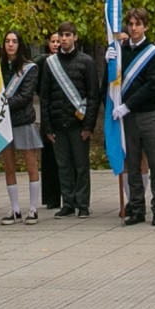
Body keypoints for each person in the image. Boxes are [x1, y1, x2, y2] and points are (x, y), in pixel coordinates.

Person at [113, 8, 155, 227]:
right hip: (128, 117)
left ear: (145, 27)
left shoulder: (154, 53)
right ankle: (136, 207)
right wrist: (109, 61)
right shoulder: (121, 50)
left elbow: (153, 85)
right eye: (130, 24)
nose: (133, 28)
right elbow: (113, 81)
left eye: (138, 24)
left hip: (149, 114)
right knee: (133, 163)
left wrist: (128, 105)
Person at [38, 22, 103, 218]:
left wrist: (89, 125)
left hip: (78, 123)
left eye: (67, 35)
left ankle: (82, 203)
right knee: (63, 165)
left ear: (75, 37)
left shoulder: (86, 62)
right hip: (58, 122)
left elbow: (93, 95)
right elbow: (45, 97)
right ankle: (68, 202)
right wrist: (47, 126)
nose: (63, 39)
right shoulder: (50, 64)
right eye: (61, 36)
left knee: (81, 165)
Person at [0, 30, 45, 223]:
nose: (10, 44)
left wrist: (2, 105)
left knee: (31, 165)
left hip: (23, 120)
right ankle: (14, 209)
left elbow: (25, 96)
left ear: (20, 44)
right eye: (7, 41)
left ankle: (33, 208)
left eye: (14, 41)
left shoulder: (29, 68)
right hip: (4, 122)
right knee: (8, 166)